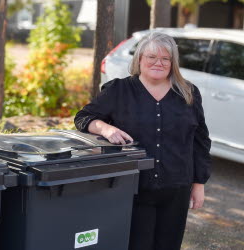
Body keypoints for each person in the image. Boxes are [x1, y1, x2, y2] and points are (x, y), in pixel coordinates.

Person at [74, 32, 211, 250]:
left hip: (176, 189)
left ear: (173, 63)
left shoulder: (188, 93)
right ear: (139, 59)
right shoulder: (119, 90)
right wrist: (106, 128)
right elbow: (83, 118)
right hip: (133, 188)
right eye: (152, 57)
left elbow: (200, 141)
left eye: (166, 59)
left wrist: (199, 184)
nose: (159, 63)